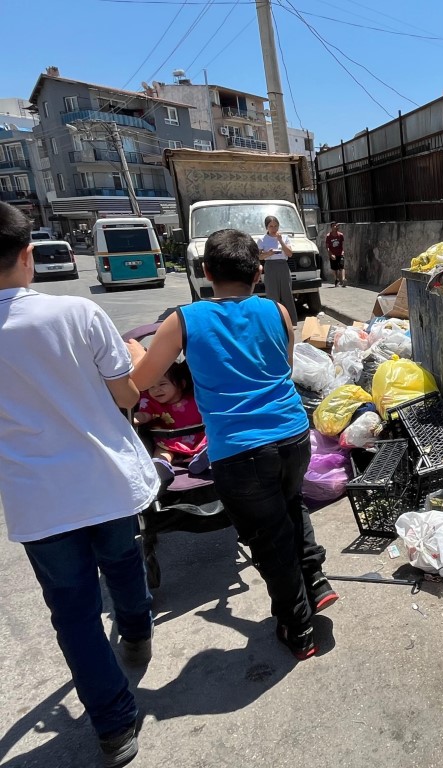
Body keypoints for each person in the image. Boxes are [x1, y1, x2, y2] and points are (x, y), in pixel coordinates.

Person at [128, 228, 337, 661]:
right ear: (258, 273)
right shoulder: (278, 311)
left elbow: (140, 382)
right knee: (291, 505)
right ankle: (315, 583)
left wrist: (134, 356)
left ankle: (297, 628)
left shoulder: (185, 319)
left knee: (268, 539)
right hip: (294, 436)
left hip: (240, 453)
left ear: (205, 272)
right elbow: (284, 364)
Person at [0, 202, 158, 767]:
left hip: (38, 500)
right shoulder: (78, 313)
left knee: (73, 614)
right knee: (123, 563)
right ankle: (138, 633)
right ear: (28, 255)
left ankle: (115, 729)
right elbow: (125, 394)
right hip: (104, 479)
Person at [135, 361, 209, 475]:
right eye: (151, 387)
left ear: (181, 384)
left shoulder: (194, 397)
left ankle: (203, 458)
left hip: (200, 437)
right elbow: (144, 415)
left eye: (162, 384)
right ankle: (160, 465)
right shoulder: (152, 403)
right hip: (169, 442)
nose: (156, 390)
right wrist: (134, 418)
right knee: (162, 450)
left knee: (212, 439)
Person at [256, 215, 298, 325]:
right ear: (267, 227)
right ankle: (274, 321)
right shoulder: (262, 239)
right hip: (270, 266)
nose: (274, 229)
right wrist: (268, 253)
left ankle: (290, 321)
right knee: (272, 293)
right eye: (271, 226)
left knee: (286, 293)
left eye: (276, 226)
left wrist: (281, 241)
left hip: (283, 266)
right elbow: (259, 257)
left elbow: (289, 253)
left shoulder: (284, 237)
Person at [325, 222, 345, 287]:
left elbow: (342, 245)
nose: (335, 227)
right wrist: (331, 255)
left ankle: (344, 280)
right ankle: (337, 280)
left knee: (342, 266)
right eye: (333, 226)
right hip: (333, 254)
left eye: (335, 226)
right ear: (331, 227)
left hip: (340, 253)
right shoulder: (328, 236)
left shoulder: (340, 235)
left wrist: (342, 251)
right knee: (335, 268)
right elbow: (327, 247)